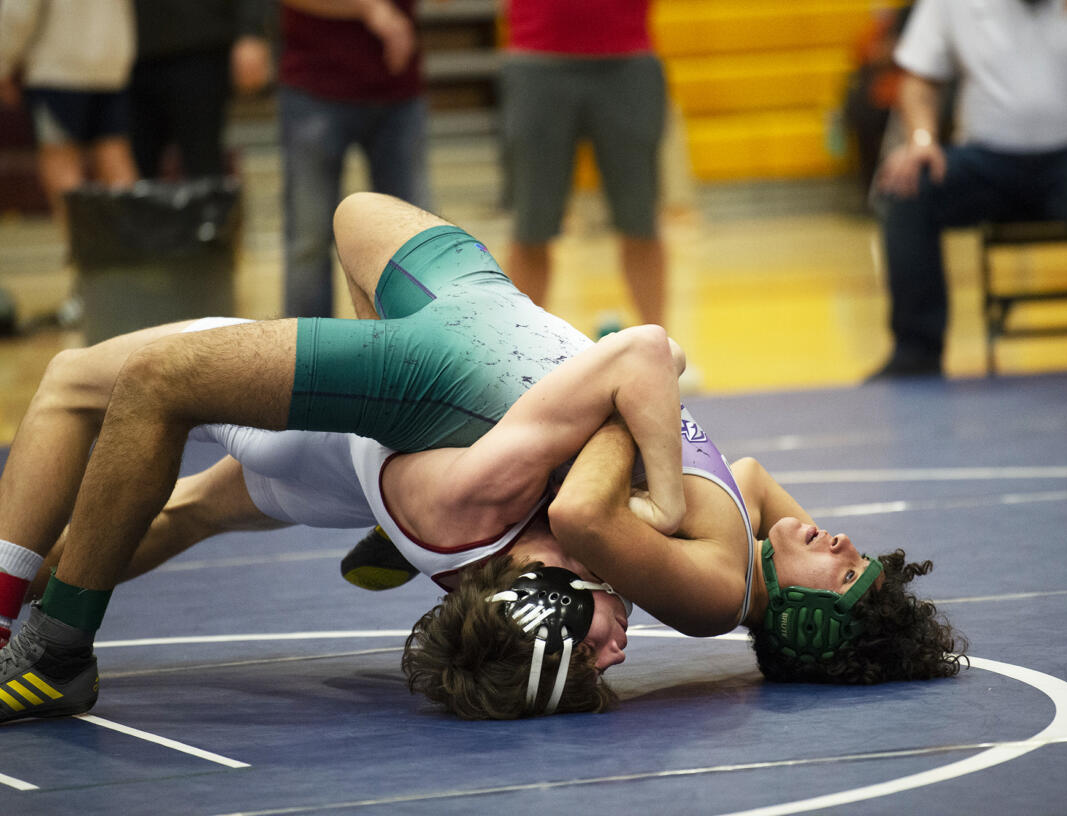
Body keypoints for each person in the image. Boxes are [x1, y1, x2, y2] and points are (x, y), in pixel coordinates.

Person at [0, 193, 962, 722]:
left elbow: (626, 409)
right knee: (200, 498)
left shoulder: (691, 584)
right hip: (446, 386)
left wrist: (643, 435)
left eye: (842, 567)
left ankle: (45, 643)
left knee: (117, 389)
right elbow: (744, 483)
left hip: (438, 396)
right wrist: (680, 474)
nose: (841, 538)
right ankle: (50, 611)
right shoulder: (734, 549)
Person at [869, 0, 1067, 378]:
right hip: (987, 158)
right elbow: (919, 79)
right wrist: (922, 139)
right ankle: (916, 352)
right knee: (908, 187)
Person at [501, 0, 669, 328]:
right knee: (531, 226)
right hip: (537, 62)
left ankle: (659, 344)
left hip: (628, 61)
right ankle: (520, 352)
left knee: (642, 220)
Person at [277, 0, 431, 318]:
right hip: (315, 85)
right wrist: (369, 8)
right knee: (310, 240)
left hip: (398, 88)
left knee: (414, 241)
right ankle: (309, 361)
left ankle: (416, 355)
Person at [0, 0, 138, 226]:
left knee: (60, 158)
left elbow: (19, 11)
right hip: (111, 63)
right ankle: (130, 244)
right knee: (115, 155)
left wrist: (2, 62)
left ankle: (82, 246)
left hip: (58, 68)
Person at [128, 0, 273, 180]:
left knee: (203, 164)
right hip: (128, 50)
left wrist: (251, 30)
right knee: (134, 172)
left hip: (200, 44)